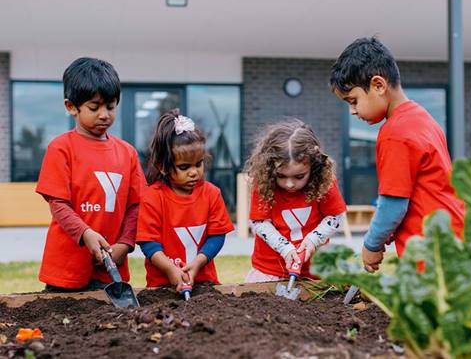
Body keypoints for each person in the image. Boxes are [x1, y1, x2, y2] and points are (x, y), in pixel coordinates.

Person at [329, 37, 464, 272]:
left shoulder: (394, 132)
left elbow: (393, 204)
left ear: (378, 85)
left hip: (429, 250)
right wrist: (390, 230)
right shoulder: (423, 118)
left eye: (354, 101)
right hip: (453, 237)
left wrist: (371, 245)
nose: (352, 111)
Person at [36, 57, 145, 291]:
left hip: (111, 269)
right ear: (71, 107)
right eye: (94, 108)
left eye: (111, 106)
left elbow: (136, 206)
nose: (104, 114)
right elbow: (58, 203)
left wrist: (125, 244)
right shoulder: (61, 148)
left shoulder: (128, 153)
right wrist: (85, 233)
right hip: (66, 266)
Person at [136, 109, 234, 290]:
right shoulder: (152, 198)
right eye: (184, 167)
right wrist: (170, 270)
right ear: (163, 167)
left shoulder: (212, 194)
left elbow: (217, 236)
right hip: (162, 287)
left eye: (199, 164)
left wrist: (198, 262)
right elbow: (148, 243)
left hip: (205, 284)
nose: (194, 172)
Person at [245, 119, 347, 282]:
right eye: (281, 176)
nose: (290, 184)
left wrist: (313, 240)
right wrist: (284, 248)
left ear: (313, 167)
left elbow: (335, 218)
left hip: (315, 269)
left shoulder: (324, 181)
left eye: (299, 176)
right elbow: (259, 222)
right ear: (270, 169)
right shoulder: (264, 183)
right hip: (270, 269)